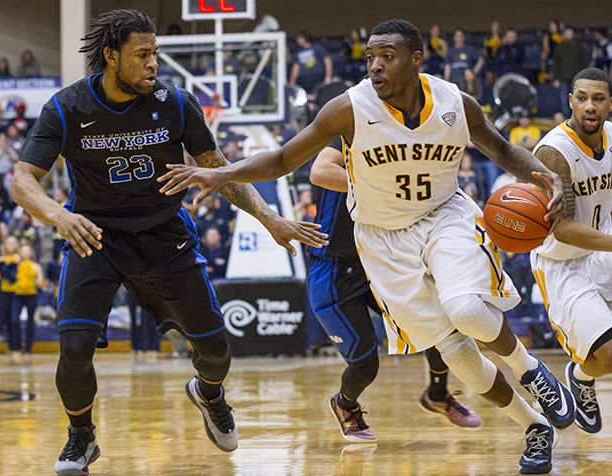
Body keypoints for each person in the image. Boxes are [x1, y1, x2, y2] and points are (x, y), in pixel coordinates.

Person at [159, 19, 575, 474]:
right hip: (384, 238)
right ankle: (536, 426)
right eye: (371, 57)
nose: (375, 66)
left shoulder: (456, 103)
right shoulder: (349, 108)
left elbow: (501, 149)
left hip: (444, 216)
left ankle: (531, 369)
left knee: (468, 310)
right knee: (459, 356)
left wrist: (544, 173)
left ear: (416, 59)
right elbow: (282, 160)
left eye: (387, 56)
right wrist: (223, 173)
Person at [9, 10, 327, 475]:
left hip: (166, 237)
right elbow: (22, 179)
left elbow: (219, 167)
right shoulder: (66, 107)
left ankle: (209, 393)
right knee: (74, 348)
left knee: (216, 351)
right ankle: (81, 436)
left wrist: (269, 217)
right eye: (142, 55)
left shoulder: (177, 103)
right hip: (96, 237)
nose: (153, 63)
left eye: (155, 53)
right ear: (110, 56)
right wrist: (60, 216)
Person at [309, 137, 481, 443]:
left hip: (379, 260)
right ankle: (345, 404)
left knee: (438, 325)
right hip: (334, 267)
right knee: (364, 365)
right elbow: (320, 170)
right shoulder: (352, 127)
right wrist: (385, 186)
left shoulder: (413, 137)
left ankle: (437, 395)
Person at [530, 67, 612, 434]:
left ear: (609, 104)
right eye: (582, 98)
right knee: (608, 357)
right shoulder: (554, 152)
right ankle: (580, 376)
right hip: (563, 263)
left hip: (604, 245)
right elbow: (561, 229)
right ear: (571, 102)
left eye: (598, 98)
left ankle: (581, 376)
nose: (589, 106)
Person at [10, 244, 44, 358]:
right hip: (17, 295)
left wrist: (30, 277)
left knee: (30, 321)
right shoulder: (16, 265)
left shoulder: (36, 266)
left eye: (27, 251)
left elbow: (41, 284)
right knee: (14, 320)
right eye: (23, 251)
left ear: (31, 253)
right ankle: (17, 346)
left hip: (31, 295)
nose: (25, 253)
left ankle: (28, 348)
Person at [552, 27, 588, 116]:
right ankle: (567, 122)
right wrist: (556, 78)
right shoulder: (559, 47)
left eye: (570, 33)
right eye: (566, 33)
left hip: (577, 79)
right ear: (564, 35)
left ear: (573, 34)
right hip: (563, 78)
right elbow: (555, 64)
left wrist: (584, 77)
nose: (568, 35)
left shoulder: (579, 47)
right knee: (564, 101)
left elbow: (584, 62)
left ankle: (578, 119)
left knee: (578, 100)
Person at [289, 30, 333, 97]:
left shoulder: (317, 48)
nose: (297, 40)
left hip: (317, 80)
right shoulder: (298, 52)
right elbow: (296, 67)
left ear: (304, 38)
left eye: (299, 38)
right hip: (304, 81)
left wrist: (328, 76)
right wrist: (292, 81)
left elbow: (327, 60)